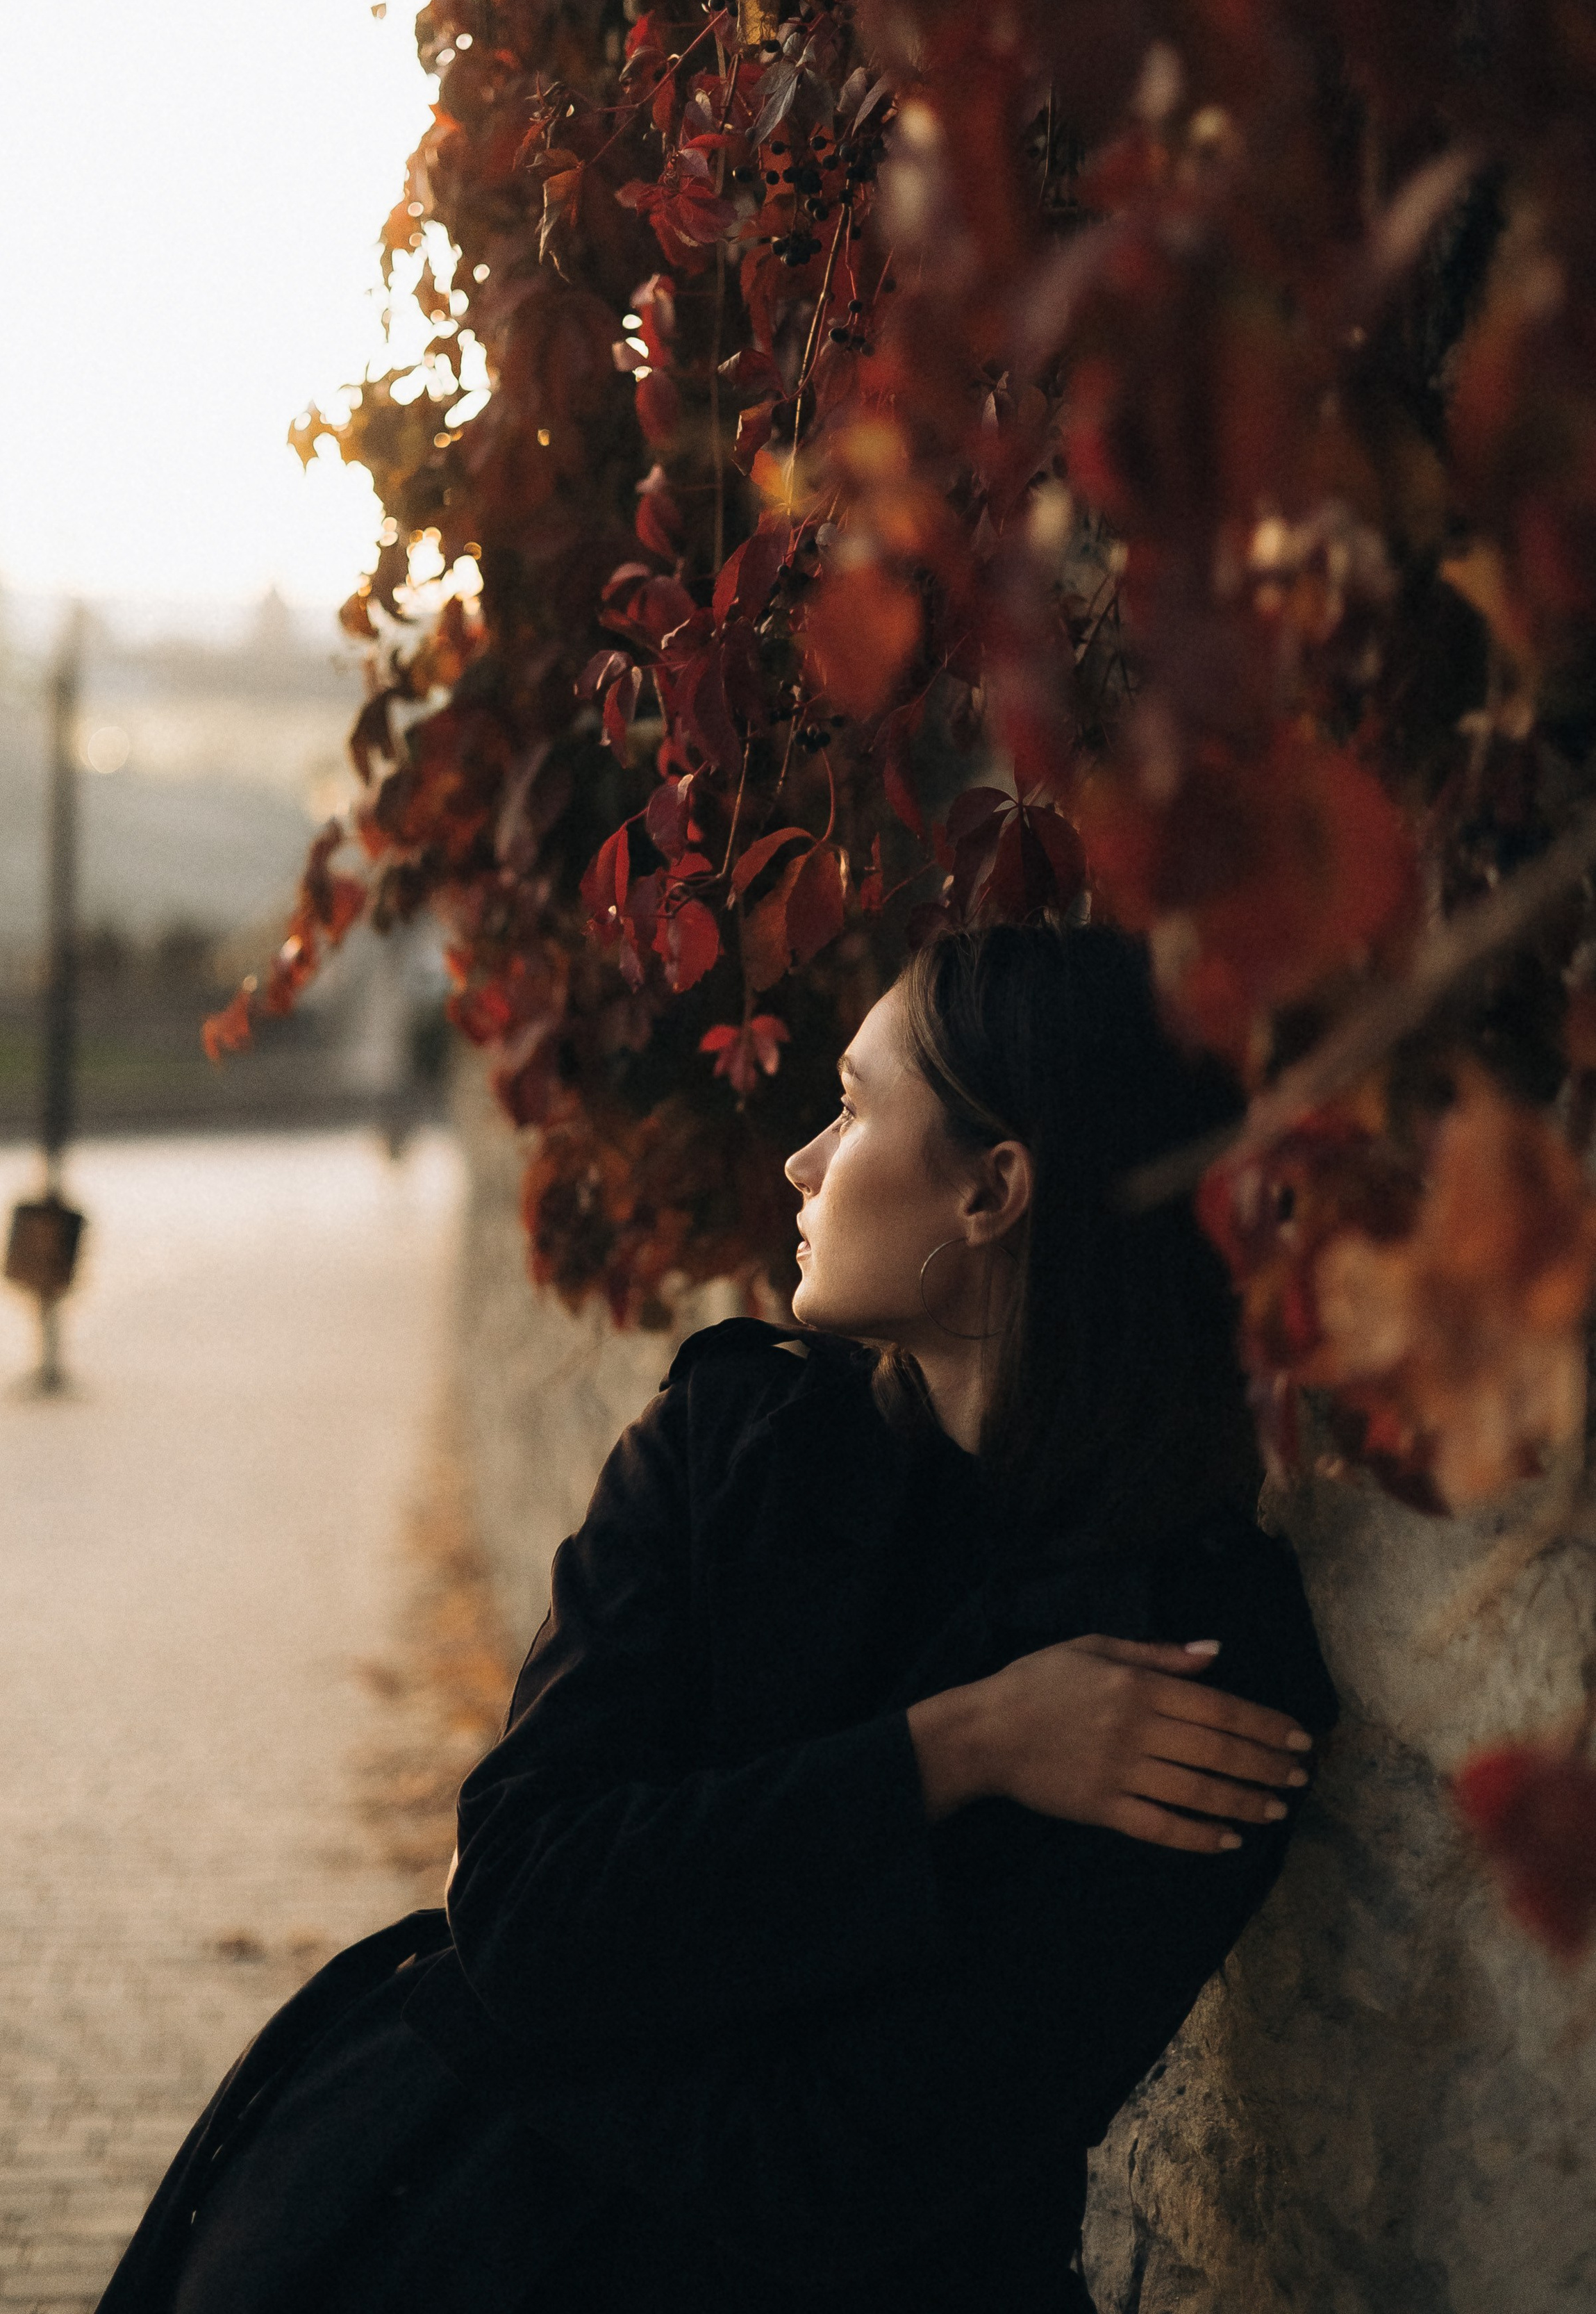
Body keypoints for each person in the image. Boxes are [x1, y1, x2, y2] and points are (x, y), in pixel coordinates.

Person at [98, 918, 1336, 2314]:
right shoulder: (728, 1440)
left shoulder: (1194, 1654)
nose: (802, 1160)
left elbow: (835, 2169)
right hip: (435, 2216)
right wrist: (950, 1751)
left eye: (855, 1105)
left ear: (991, 1190)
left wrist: (530, 2022)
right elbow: (522, 1901)